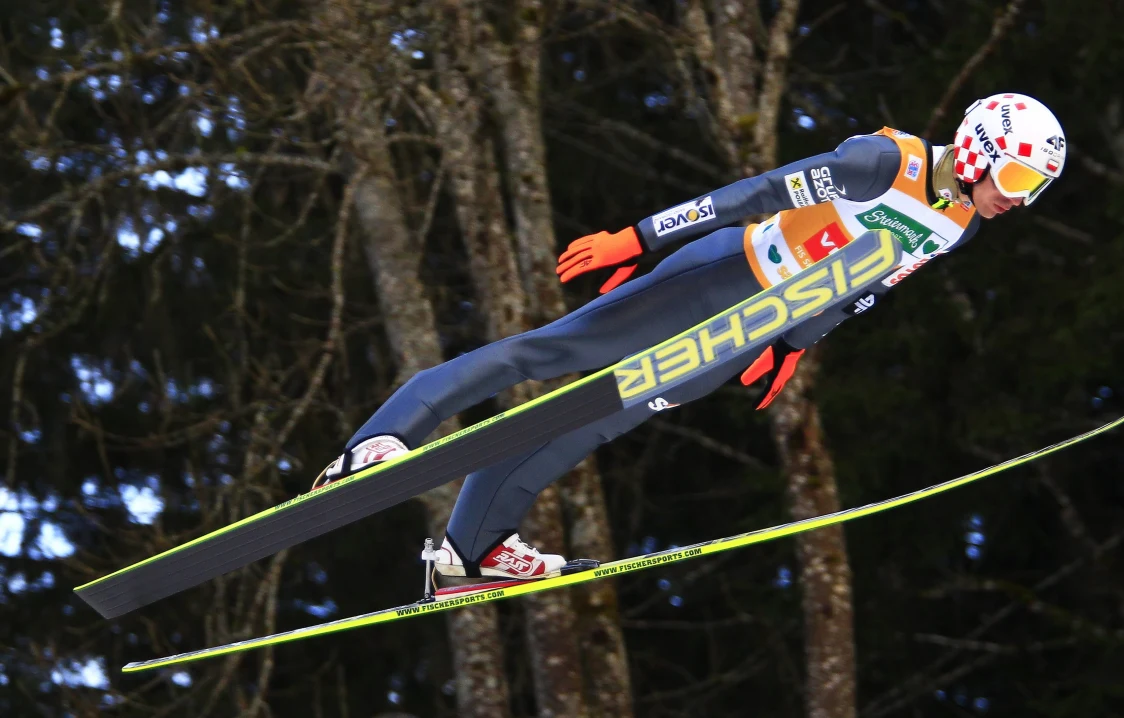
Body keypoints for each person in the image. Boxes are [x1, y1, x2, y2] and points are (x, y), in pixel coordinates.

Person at [313, 93, 1067, 581]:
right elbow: (753, 193)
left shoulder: (960, 224)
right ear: (978, 151)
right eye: (1019, 181)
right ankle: (380, 440)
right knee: (549, 354)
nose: (1017, 203)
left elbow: (866, 286)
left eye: (1032, 193)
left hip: (748, 330)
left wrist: (791, 344)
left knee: (584, 423)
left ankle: (469, 553)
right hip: (721, 275)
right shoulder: (883, 162)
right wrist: (638, 238)